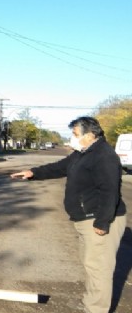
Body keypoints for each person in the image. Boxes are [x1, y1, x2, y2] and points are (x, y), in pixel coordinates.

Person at [10, 116, 127, 313]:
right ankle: (91, 303)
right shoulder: (83, 153)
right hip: (86, 218)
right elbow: (59, 167)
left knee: (98, 269)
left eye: (75, 134)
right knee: (92, 265)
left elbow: (109, 191)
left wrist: (102, 222)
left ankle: (96, 309)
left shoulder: (104, 156)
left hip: (97, 218)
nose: (72, 138)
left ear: (90, 135)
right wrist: (33, 172)